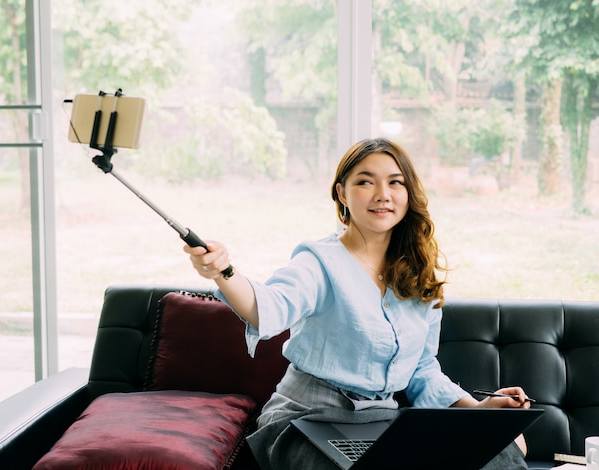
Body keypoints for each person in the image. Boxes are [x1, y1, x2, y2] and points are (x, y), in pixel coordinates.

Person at [184, 137, 531, 470]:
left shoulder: (417, 273)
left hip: (382, 425)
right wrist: (223, 272)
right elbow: (269, 307)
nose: (383, 195)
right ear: (342, 193)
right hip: (306, 421)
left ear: (408, 194)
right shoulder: (318, 260)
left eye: (395, 183)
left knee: (505, 449)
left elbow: (422, 371)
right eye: (366, 182)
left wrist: (480, 411)